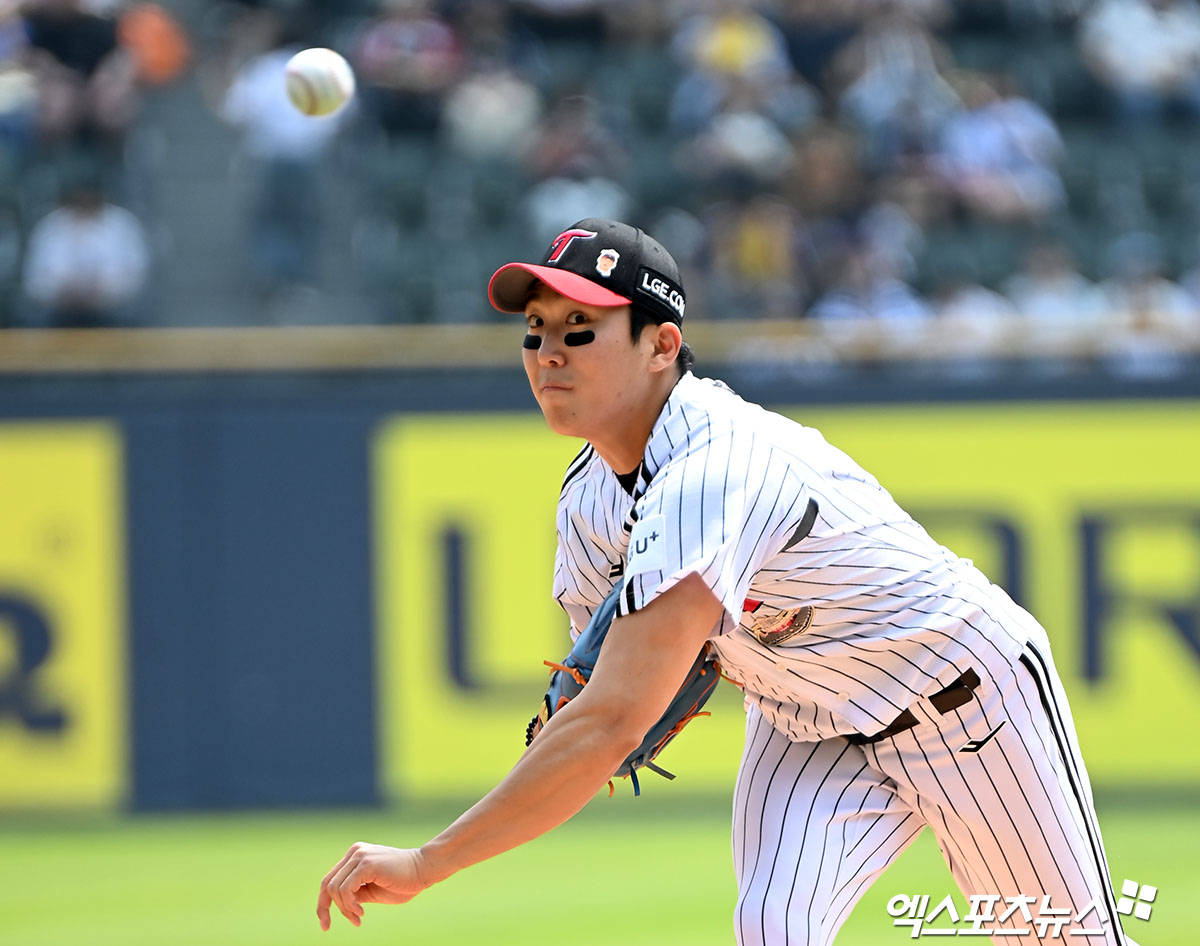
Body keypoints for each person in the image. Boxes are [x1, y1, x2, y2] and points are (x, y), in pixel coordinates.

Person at [316, 218, 1136, 946]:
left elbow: (607, 725)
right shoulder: (589, 499)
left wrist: (429, 862)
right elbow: (594, 695)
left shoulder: (714, 466)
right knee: (772, 927)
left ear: (662, 344)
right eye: (536, 331)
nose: (549, 353)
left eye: (581, 328)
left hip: (966, 698)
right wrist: (603, 708)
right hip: (806, 722)